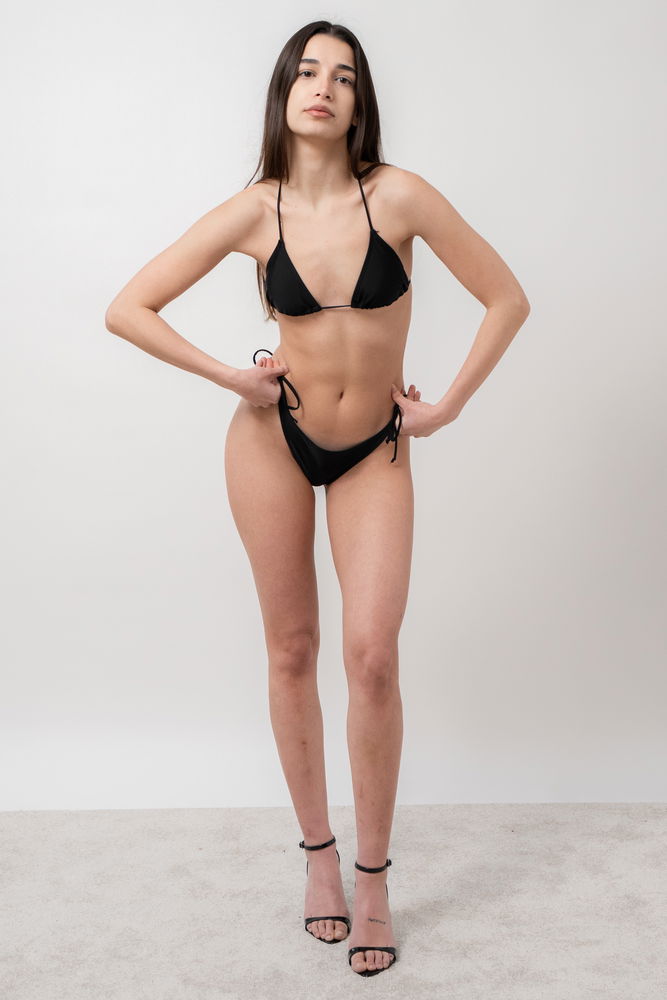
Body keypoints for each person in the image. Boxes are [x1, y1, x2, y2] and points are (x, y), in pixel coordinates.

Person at [105, 19, 530, 978]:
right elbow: (127, 307)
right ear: (284, 92)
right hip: (271, 441)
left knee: (372, 658)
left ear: (358, 101)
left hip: (375, 446)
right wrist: (231, 377)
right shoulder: (253, 211)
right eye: (307, 71)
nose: (323, 88)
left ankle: (373, 877)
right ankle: (320, 859)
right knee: (292, 649)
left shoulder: (401, 196)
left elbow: (507, 297)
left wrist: (447, 407)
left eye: (342, 76)